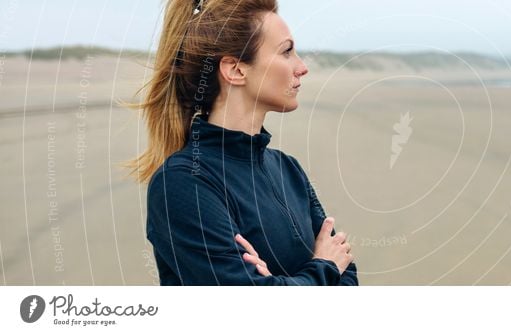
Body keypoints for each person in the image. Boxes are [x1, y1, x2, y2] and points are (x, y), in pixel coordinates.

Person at [127, 0, 357, 285]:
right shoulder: (184, 182)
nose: (302, 67)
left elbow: (348, 274)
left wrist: (281, 283)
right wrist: (323, 268)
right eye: (286, 51)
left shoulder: (288, 169)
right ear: (235, 70)